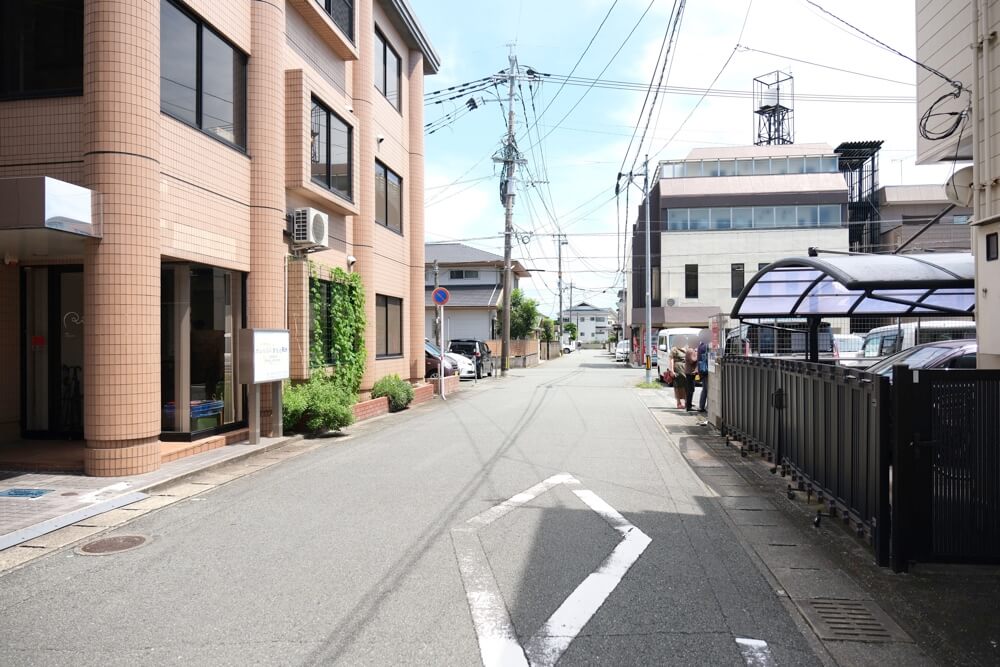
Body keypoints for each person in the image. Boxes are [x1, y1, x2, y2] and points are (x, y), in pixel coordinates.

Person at [668, 340, 688, 409]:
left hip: (685, 369)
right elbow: (671, 360)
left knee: (686, 386)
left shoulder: (686, 348)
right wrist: (672, 370)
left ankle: (686, 402)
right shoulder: (674, 349)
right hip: (677, 369)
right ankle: (678, 402)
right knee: (678, 386)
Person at [696, 330, 710, 412]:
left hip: (702, 370)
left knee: (704, 389)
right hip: (706, 370)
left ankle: (701, 406)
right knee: (707, 389)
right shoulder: (706, 346)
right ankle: (706, 407)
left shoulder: (701, 345)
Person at [684, 337, 698, 411]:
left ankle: (689, 404)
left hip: (689, 372)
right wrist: (697, 355)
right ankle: (688, 406)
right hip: (690, 373)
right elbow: (692, 360)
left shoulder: (690, 350)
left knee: (690, 389)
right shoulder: (690, 351)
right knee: (690, 389)